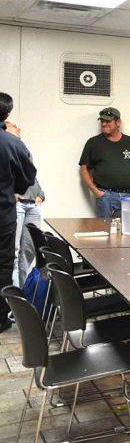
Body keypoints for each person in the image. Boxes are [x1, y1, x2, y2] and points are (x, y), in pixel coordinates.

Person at [0, 93, 36, 332]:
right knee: (3, 264)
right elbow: (27, 181)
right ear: (8, 113)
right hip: (2, 213)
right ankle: (1, 318)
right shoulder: (12, 143)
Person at [78, 107, 130, 218]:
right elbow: (84, 169)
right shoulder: (93, 143)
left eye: (108, 121)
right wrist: (97, 192)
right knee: (107, 231)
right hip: (106, 196)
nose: (104, 124)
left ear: (118, 122)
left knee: (129, 231)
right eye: (102, 121)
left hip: (129, 196)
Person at [5, 121, 41, 290]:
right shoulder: (5, 147)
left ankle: (23, 293)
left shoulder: (21, 147)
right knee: (13, 250)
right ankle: (13, 300)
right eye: (14, 126)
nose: (19, 128)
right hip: (18, 206)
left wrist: (40, 194)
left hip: (33, 206)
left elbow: (32, 177)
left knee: (29, 248)